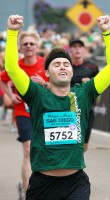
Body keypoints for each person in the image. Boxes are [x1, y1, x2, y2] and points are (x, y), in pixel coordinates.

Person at [5, 14, 110, 199]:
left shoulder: (84, 92)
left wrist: (107, 32)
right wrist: (12, 33)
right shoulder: (36, 94)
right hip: (42, 184)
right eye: (56, 64)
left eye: (66, 64)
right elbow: (11, 67)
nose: (62, 67)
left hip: (76, 183)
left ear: (71, 70)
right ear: (46, 73)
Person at [0, 30, 49, 199]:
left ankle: (40, 185)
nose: (28, 46)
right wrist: (9, 94)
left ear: (37, 46)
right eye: (25, 44)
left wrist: (44, 83)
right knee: (28, 150)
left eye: (32, 44)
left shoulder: (45, 64)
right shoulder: (16, 65)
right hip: (23, 111)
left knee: (44, 151)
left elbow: (58, 84)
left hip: (44, 112)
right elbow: (2, 79)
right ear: (20, 47)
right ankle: (28, 191)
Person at [69, 38, 99, 152]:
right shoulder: (66, 66)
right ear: (70, 50)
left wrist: (90, 83)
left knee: (84, 145)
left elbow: (98, 84)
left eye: (80, 47)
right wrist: (81, 81)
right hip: (69, 108)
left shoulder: (92, 66)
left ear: (84, 50)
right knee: (70, 142)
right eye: (74, 46)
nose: (77, 49)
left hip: (87, 109)